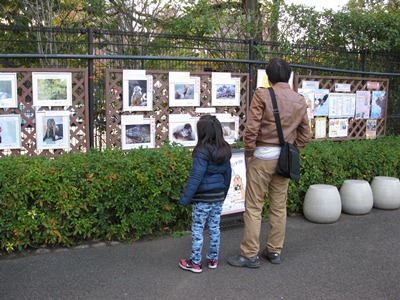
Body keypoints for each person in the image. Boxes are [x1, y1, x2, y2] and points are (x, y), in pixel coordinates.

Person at [228, 58, 311, 268]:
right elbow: (305, 135)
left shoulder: (262, 94)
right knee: (278, 206)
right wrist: (292, 151)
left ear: (269, 76)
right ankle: (274, 251)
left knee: (254, 207)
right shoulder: (299, 100)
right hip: (284, 159)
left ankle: (250, 255)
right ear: (289, 76)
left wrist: (248, 153)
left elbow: (252, 128)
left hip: (262, 157)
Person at [179, 114, 232, 273]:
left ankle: (195, 263)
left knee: (198, 230)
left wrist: (185, 198)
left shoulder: (201, 150)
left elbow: (196, 176)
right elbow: (227, 174)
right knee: (215, 228)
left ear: (202, 131)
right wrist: (223, 193)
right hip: (217, 196)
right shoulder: (225, 149)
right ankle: (213, 259)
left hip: (202, 198)